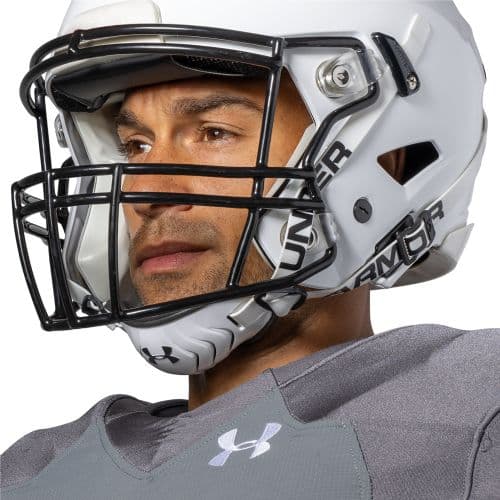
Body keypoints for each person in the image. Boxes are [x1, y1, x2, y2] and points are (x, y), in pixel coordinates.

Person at [1, 0, 498, 498]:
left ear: (390, 157)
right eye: (135, 146)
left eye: (214, 133)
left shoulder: (472, 410)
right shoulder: (33, 469)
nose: (145, 192)